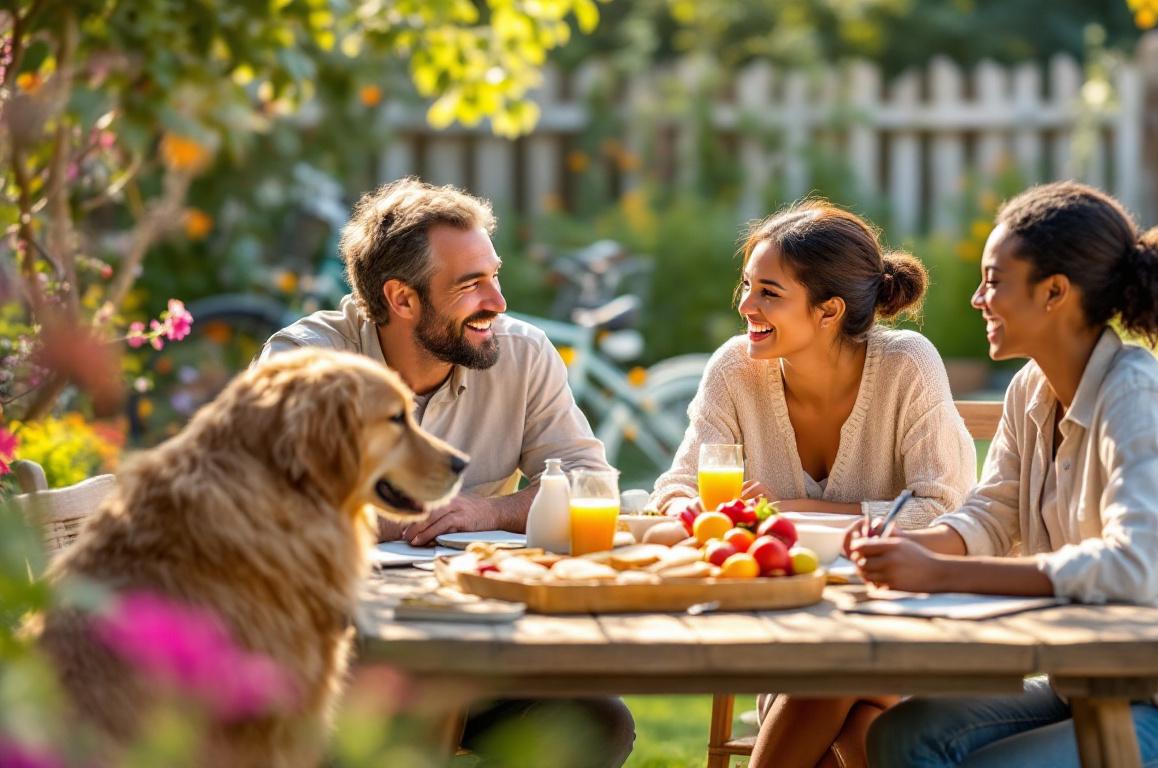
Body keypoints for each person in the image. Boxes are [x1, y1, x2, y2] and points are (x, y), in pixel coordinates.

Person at [853, 181, 1158, 768]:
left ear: (1054, 291)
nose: (979, 298)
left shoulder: (1136, 399)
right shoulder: (1031, 388)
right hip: (1089, 685)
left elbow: (1130, 567)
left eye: (994, 281)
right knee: (901, 737)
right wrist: (905, 546)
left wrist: (939, 572)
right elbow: (993, 511)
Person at [257, 177, 634, 767]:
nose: (498, 301)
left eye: (495, 275)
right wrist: (408, 517)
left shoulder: (524, 354)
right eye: (470, 284)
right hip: (337, 652)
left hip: (478, 648)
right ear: (402, 299)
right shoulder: (308, 362)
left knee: (595, 723)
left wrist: (489, 512)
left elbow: (592, 480)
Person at [650, 199, 977, 767]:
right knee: (852, 721)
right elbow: (675, 490)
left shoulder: (906, 364)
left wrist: (796, 509)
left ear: (828, 311)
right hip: (793, 635)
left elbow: (943, 507)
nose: (745, 306)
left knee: (837, 687)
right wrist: (707, 513)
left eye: (768, 293)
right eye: (747, 286)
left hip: (911, 629)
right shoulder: (735, 369)